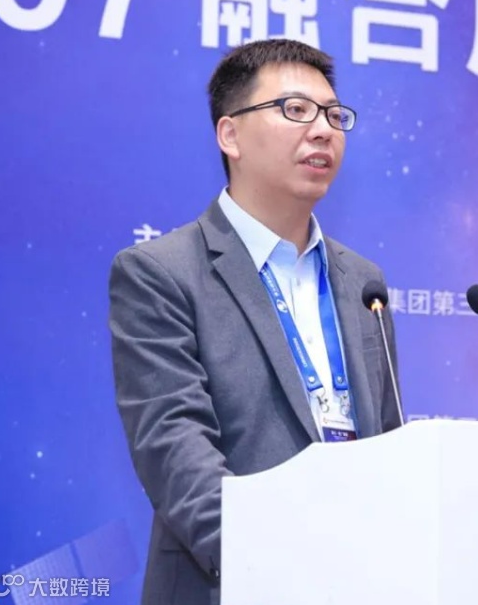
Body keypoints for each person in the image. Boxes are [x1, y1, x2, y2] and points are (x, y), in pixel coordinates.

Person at [108, 38, 403, 604]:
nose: (322, 131)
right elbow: (175, 449)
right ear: (230, 135)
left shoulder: (363, 282)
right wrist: (279, 568)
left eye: (333, 115)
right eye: (295, 110)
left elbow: (389, 446)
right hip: (237, 584)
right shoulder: (161, 273)